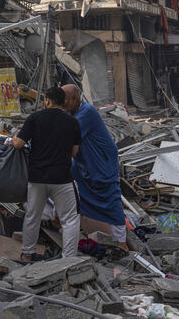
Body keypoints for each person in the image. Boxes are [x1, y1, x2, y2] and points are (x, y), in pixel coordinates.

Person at [10, 87, 81, 261]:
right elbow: (74, 153)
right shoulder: (72, 122)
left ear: (47, 101)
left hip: (37, 178)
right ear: (63, 102)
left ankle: (27, 254)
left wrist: (13, 137)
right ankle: (69, 259)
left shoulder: (34, 119)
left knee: (33, 216)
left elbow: (18, 144)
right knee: (70, 219)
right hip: (62, 178)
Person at [62, 85, 129, 255]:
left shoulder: (86, 113)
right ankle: (61, 220)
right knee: (71, 189)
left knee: (110, 197)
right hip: (84, 162)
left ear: (74, 100)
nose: (62, 104)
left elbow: (67, 134)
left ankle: (121, 242)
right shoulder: (71, 113)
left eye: (64, 100)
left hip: (102, 162)